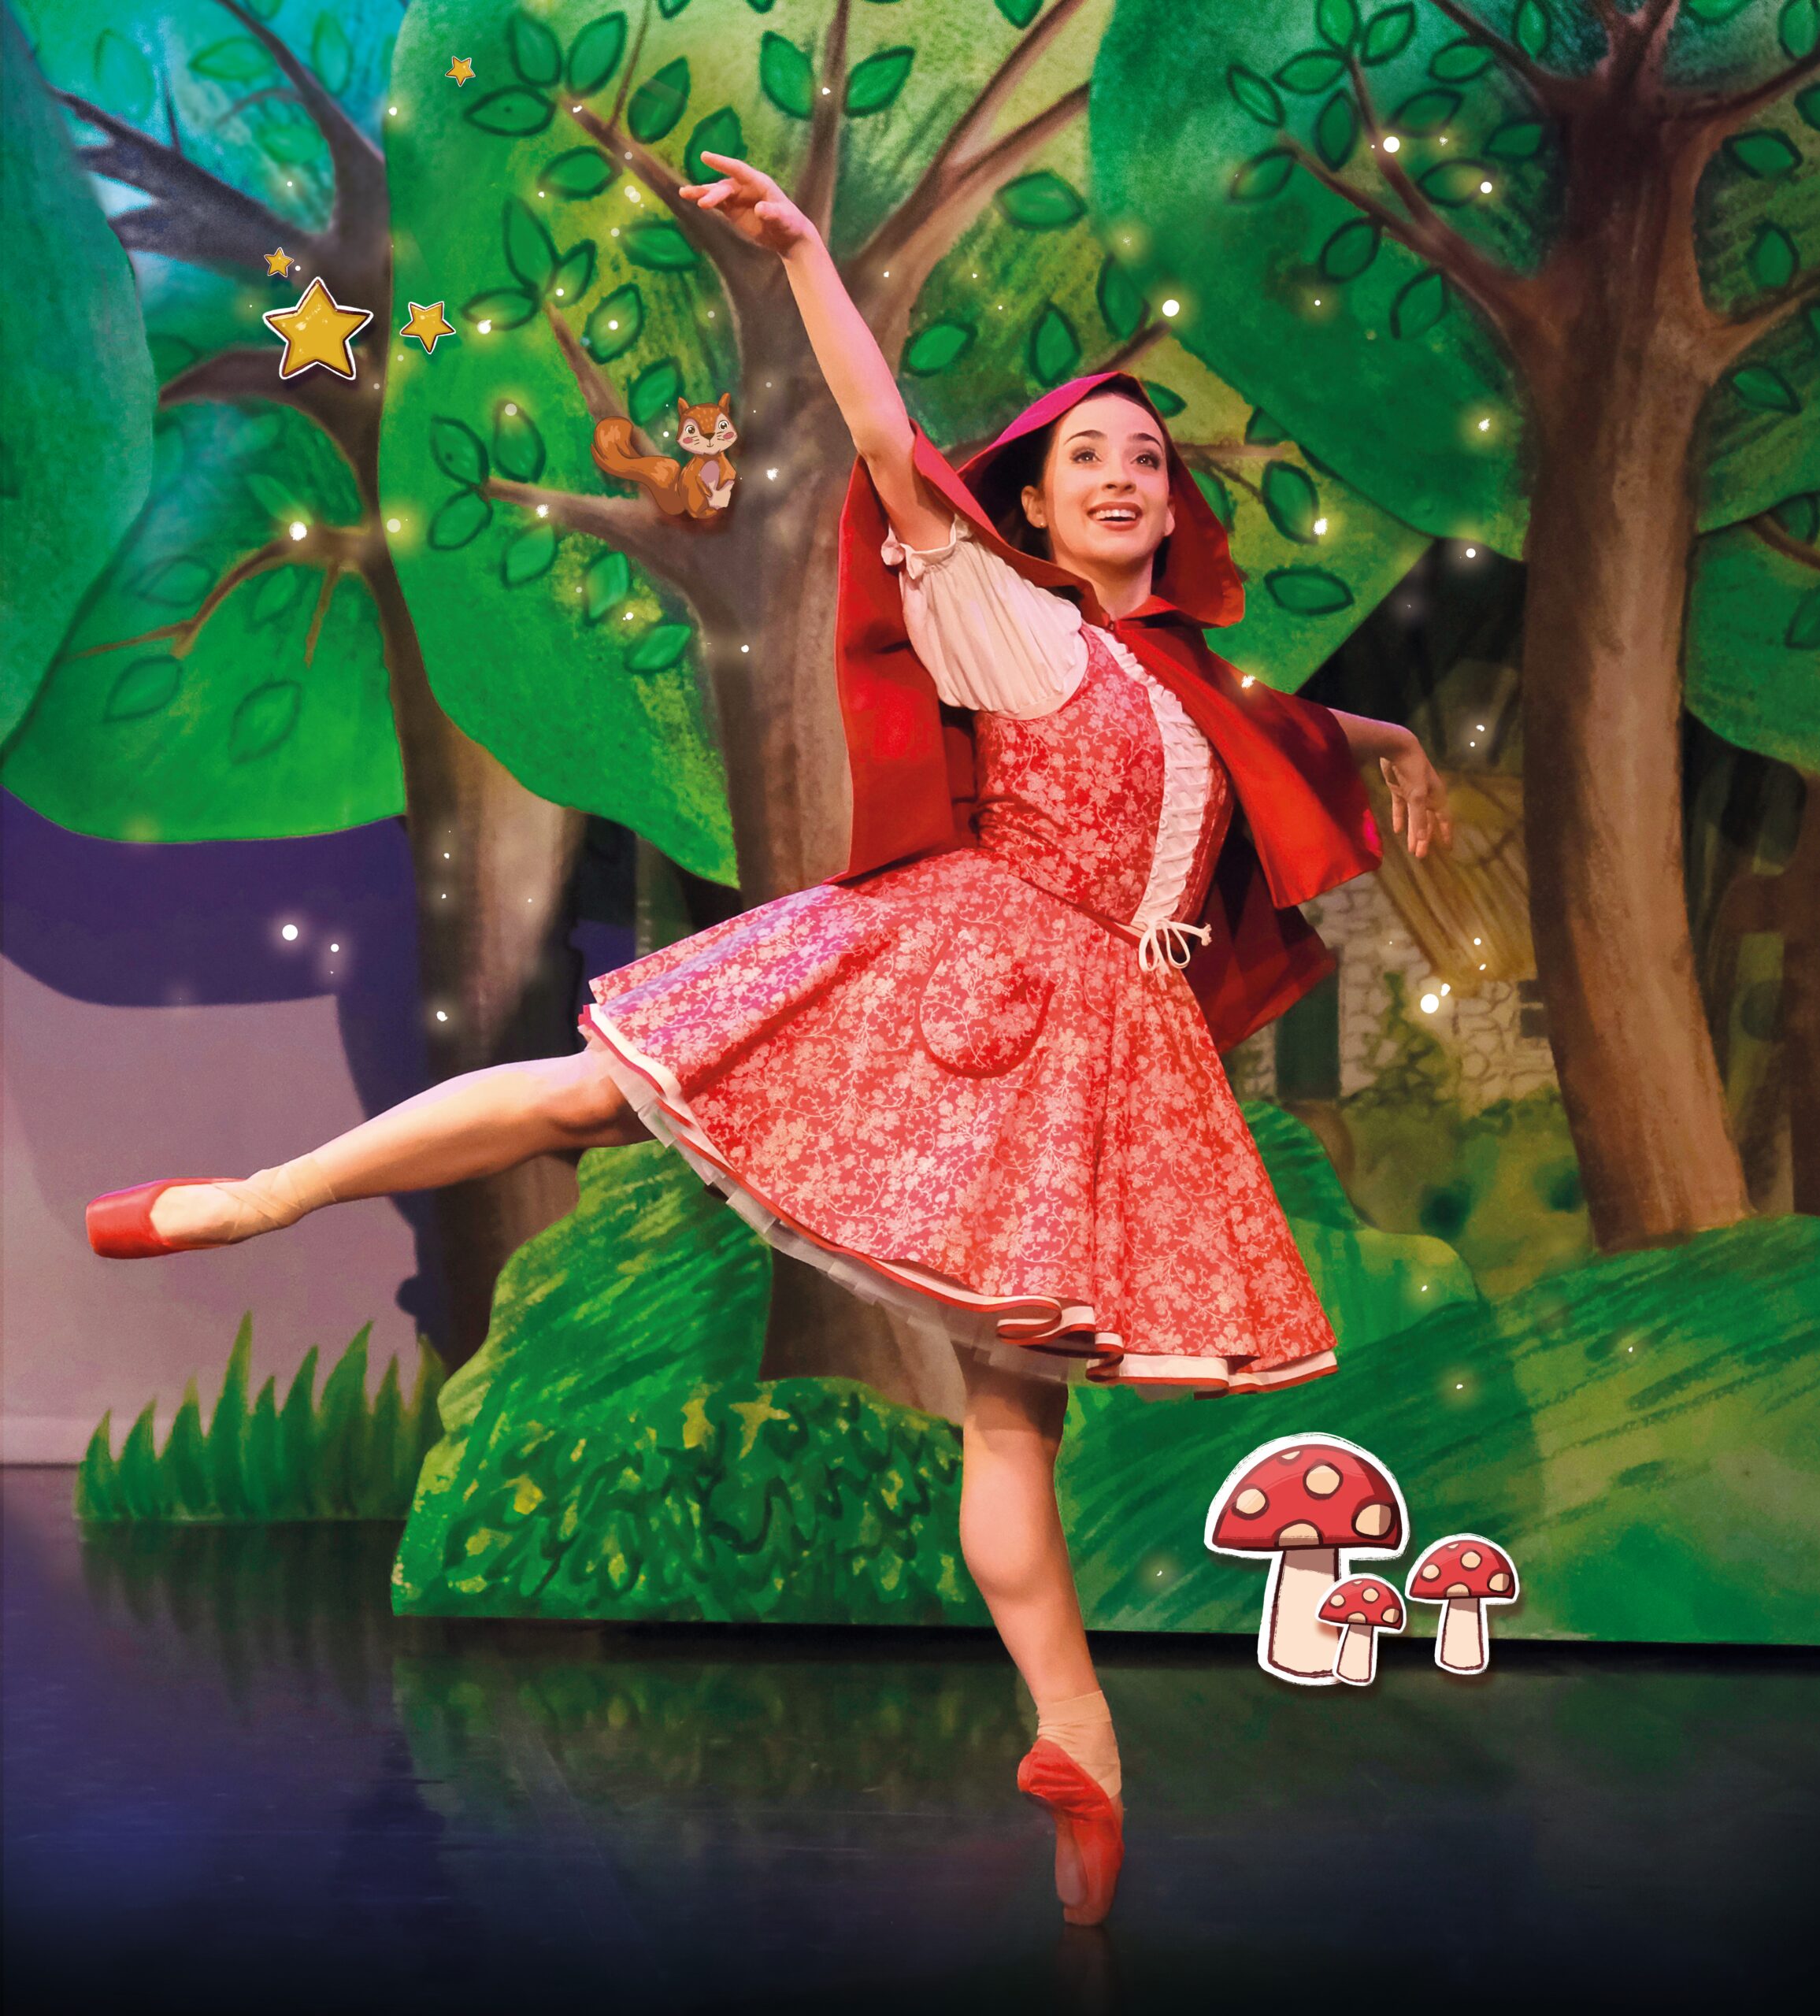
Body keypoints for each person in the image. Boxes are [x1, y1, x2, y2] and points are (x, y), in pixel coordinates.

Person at [86, 151, 1454, 1926]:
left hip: (1096, 1049)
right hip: (957, 963)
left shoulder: (1191, 682)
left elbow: (1263, 725)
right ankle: (260, 1195)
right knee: (603, 1085)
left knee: (1012, 1424)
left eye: (1146, 456)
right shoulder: (1007, 613)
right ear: (1032, 506)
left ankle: (1076, 1737)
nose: (1124, 471)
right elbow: (890, 450)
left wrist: (1386, 737)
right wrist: (807, 255)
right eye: (1087, 454)